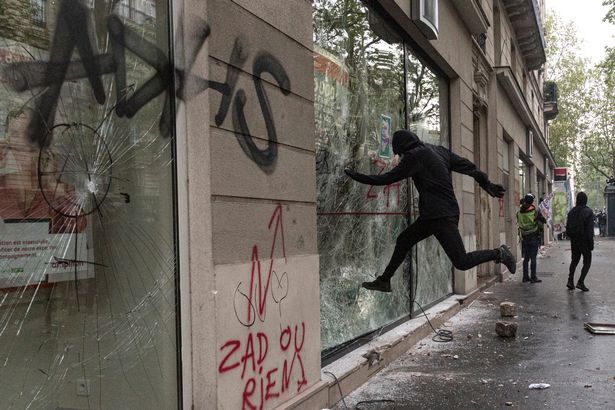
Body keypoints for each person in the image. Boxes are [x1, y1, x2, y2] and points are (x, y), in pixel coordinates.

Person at [344, 130, 517, 293]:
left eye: (400, 153)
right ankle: (384, 280)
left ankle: (499, 253)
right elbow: (468, 166)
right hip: (434, 215)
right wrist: (486, 184)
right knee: (404, 240)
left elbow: (387, 178)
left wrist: (357, 177)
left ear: (403, 147)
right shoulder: (437, 150)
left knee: (461, 261)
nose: (402, 158)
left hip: (440, 215)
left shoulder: (414, 155)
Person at [565, 192, 595, 291]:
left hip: (574, 240)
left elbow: (568, 227)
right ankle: (580, 282)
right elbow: (590, 230)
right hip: (585, 241)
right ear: (585, 200)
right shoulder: (589, 212)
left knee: (574, 261)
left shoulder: (571, 212)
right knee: (587, 261)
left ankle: (570, 281)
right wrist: (591, 243)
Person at [516, 193, 546, 283]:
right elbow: (543, 220)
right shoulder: (535, 211)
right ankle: (533, 277)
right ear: (532, 201)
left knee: (526, 258)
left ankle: (525, 277)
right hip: (533, 236)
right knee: (533, 258)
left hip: (524, 237)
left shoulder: (519, 213)